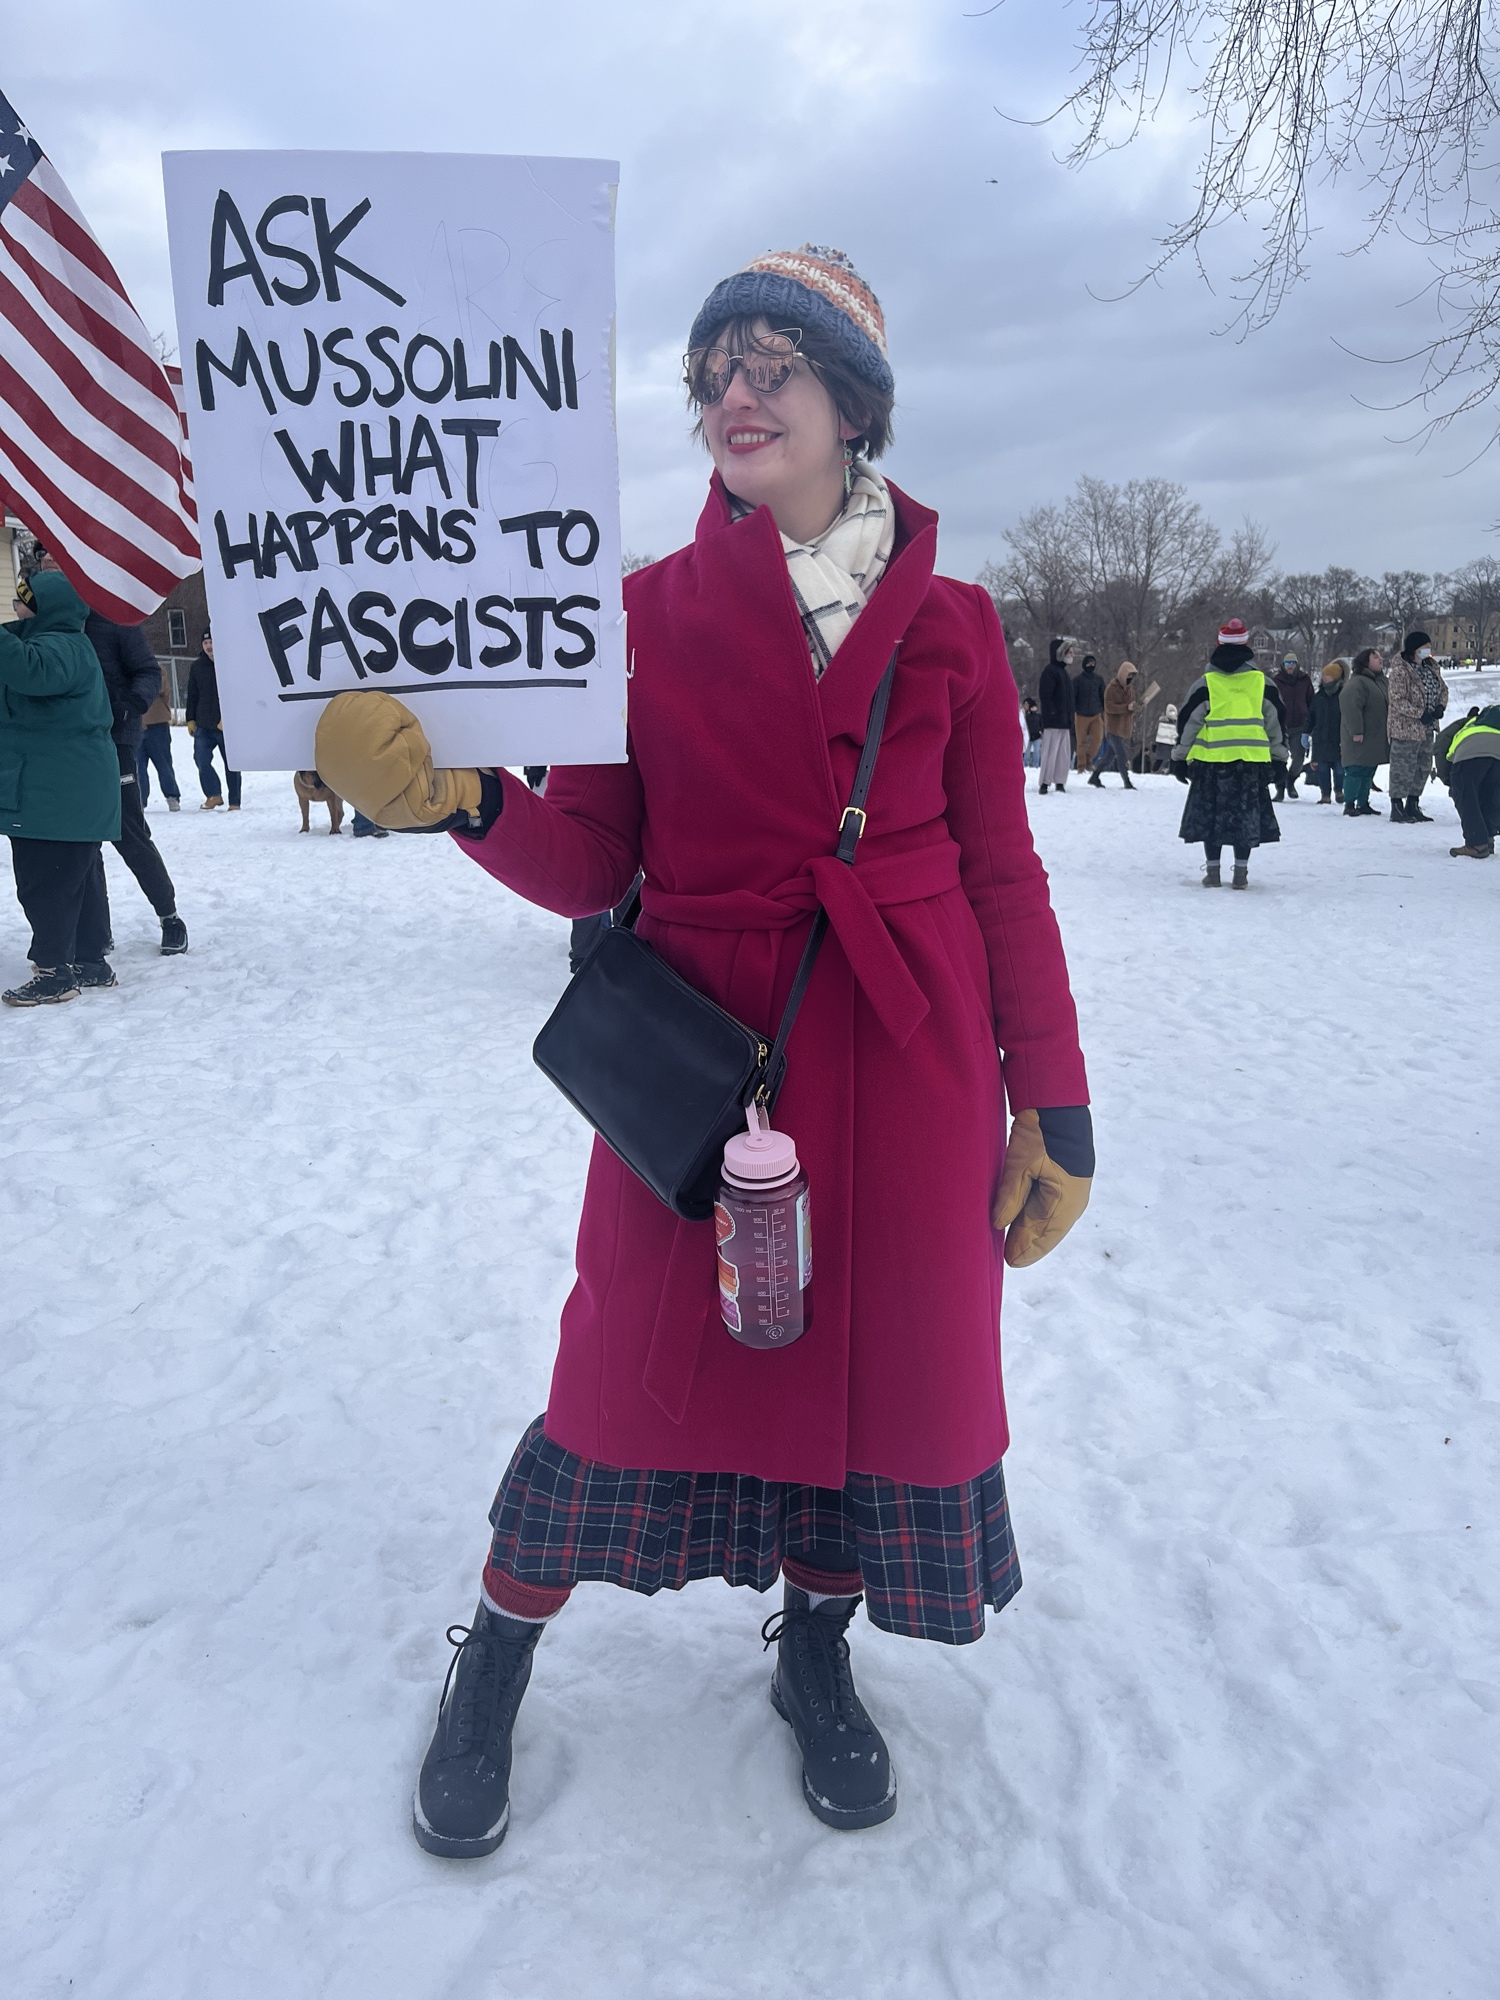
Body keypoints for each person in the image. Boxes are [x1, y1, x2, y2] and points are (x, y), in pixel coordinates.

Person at [315, 242, 1094, 1856]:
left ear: (851, 406)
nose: (738, 395)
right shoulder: (640, 617)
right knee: (617, 1380)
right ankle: (498, 1648)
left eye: (773, 367)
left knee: (868, 1384)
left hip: (915, 1056)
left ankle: (814, 1649)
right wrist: (461, 799)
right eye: (716, 373)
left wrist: (1058, 1103)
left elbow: (1006, 875)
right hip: (708, 1061)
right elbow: (593, 860)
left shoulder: (957, 623)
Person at [1, 570, 121, 1005]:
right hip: (70, 794)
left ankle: (54, 971)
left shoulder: (60, 646)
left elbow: (30, 672)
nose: (17, 608)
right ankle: (91, 962)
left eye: (23, 602)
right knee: (77, 881)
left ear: (45, 608)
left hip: (54, 795)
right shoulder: (65, 643)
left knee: (44, 882)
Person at [78, 595, 189, 956]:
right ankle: (96, 932)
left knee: (130, 832)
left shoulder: (111, 617)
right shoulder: (51, 622)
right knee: (82, 840)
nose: (52, 567)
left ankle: (170, 917)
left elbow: (148, 671)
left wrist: (129, 706)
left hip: (116, 740)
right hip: (70, 747)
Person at [1171, 616, 1286, 886]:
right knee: (1244, 819)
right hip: (1250, 765)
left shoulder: (1206, 684)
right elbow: (1276, 724)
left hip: (1211, 764)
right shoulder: (1263, 683)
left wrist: (1179, 757)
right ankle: (1241, 873)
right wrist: (1280, 759)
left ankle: (1213, 872)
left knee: (1212, 819)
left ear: (1218, 646)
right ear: (1246, 647)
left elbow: (1188, 723)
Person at [1386, 630, 1449, 823]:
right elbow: (1397, 699)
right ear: (1415, 649)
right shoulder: (1400, 671)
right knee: (1402, 767)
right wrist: (1419, 713)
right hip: (1406, 728)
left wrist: (1440, 706)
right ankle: (1397, 806)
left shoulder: (1431, 668)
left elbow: (1443, 689)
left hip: (1427, 728)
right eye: (1425, 647)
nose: (1429, 650)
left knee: (1422, 767)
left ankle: (1413, 804)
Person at [184, 629, 241, 810]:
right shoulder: (197, 667)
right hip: (203, 725)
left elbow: (238, 694)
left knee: (232, 765)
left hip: (226, 727)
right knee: (201, 760)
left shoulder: (229, 664)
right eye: (205, 643)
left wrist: (229, 717)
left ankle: (235, 801)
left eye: (211, 642)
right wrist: (190, 719)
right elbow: (192, 695)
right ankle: (213, 795)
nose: (209, 646)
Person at [1436, 702, 1500, 857]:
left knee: (1467, 797)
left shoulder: (1468, 723)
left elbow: (1441, 743)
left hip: (1470, 754)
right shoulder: (1495, 722)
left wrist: (1449, 780)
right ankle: (1488, 839)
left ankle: (1476, 844)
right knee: (1490, 794)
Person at [1339, 648, 1389, 817]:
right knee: (1355, 770)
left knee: (1368, 770)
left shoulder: (1380, 682)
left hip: (1374, 737)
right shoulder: (1357, 683)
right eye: (1375, 657)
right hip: (1360, 736)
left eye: (1380, 656)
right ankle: (1349, 803)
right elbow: (1351, 708)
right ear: (1365, 662)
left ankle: (1363, 803)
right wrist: (1356, 730)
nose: (1380, 659)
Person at [137, 668, 181, 809]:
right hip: (136, 726)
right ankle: (139, 800)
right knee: (138, 768)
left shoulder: (157, 670)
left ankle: (172, 796)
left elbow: (159, 687)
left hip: (158, 726)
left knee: (164, 765)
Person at [1089, 661, 1137, 788]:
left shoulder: (1130, 688)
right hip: (1113, 728)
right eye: (1128, 676)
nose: (1130, 679)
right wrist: (1126, 707)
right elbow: (1109, 707)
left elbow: (1130, 706)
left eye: (1132, 676)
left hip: (1123, 728)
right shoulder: (1111, 688)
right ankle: (1127, 781)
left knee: (1109, 756)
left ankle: (1094, 776)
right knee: (1121, 755)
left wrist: (1134, 708)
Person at [1272, 652, 1313, 800]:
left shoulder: (1305, 680)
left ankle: (1290, 780)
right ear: (1283, 665)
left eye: (1292, 663)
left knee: (1299, 758)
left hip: (1300, 726)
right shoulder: (1276, 681)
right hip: (1281, 725)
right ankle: (1280, 788)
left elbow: (1311, 701)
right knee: (1279, 759)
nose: (1290, 666)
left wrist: (1310, 720)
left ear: (1297, 665)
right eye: (1287, 664)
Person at [1037, 636, 1075, 792]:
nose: (1072, 655)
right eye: (1069, 652)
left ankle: (1060, 781)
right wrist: (1052, 713)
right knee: (1050, 753)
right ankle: (1045, 782)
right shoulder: (1050, 671)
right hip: (1053, 721)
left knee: (1063, 755)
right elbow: (1045, 695)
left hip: (1064, 721)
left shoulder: (1064, 673)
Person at [1308, 661, 1346, 803]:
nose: (1324, 677)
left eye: (1328, 675)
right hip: (1321, 739)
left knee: (1339, 770)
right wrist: (1306, 732)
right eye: (1323, 675)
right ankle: (1325, 795)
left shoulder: (1343, 696)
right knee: (1322, 770)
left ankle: (1339, 791)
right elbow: (1311, 717)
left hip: (1339, 739)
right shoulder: (1318, 697)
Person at [1071, 651, 1105, 771]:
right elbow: (1072, 698)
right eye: (1089, 663)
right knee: (1081, 742)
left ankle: (1088, 759)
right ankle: (1081, 765)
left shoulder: (1099, 679)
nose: (1091, 665)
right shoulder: (1077, 680)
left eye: (1093, 663)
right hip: (1081, 715)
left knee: (1097, 739)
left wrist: (1104, 712)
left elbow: (1103, 696)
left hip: (1096, 714)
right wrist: (1073, 712)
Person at [1152, 702, 1178, 772]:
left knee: (1170, 760)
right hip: (1163, 746)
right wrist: (1154, 744)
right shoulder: (1163, 722)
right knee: (1159, 761)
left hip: (1170, 746)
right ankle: (1153, 772)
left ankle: (1169, 771)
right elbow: (1157, 734)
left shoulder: (1176, 723)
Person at [1021, 695, 1042, 767]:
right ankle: (1025, 763)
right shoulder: (1027, 716)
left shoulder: (1038, 716)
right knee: (1027, 751)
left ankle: (1036, 764)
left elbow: (1041, 724)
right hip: (1029, 736)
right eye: (1033, 707)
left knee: (1036, 751)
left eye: (1035, 707)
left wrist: (1041, 731)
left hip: (1037, 736)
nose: (1034, 708)